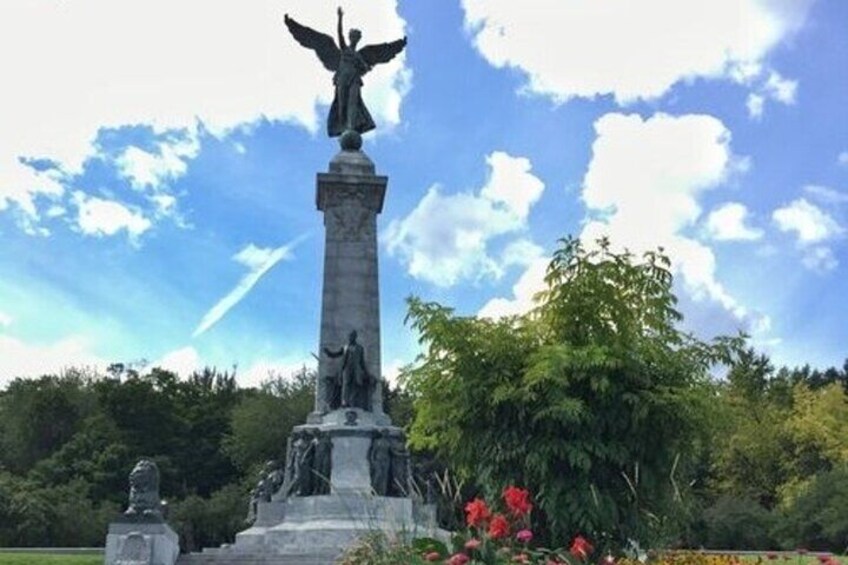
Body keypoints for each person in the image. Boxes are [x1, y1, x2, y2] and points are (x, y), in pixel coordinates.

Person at [323, 330, 371, 410]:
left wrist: (366, 372)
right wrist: (329, 353)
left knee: (355, 385)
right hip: (346, 369)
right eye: (349, 336)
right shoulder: (345, 347)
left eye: (352, 336)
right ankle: (344, 402)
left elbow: (362, 361)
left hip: (356, 370)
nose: (350, 338)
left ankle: (352, 402)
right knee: (345, 385)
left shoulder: (360, 348)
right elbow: (336, 354)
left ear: (355, 337)